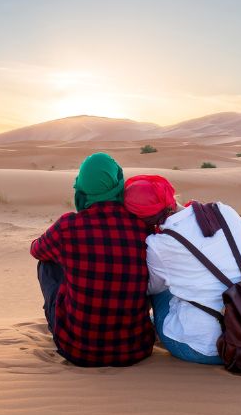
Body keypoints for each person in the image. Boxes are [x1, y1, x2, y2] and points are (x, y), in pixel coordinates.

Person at [123, 174, 241, 365]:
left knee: (159, 286)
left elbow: (150, 288)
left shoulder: (159, 244)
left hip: (207, 349)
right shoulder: (224, 211)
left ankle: (140, 329)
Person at [30, 153, 154, 367]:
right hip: (135, 349)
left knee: (47, 263)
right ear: (118, 184)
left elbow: (36, 250)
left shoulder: (68, 226)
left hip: (77, 350)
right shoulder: (143, 227)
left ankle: (59, 321)